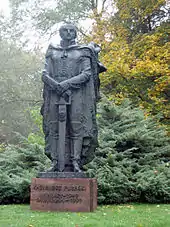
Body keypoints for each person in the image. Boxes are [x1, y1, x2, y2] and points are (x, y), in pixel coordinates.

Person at [41, 23, 106, 172]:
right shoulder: (53, 51)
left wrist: (66, 84)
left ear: (76, 34)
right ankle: (56, 162)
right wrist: (57, 86)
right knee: (54, 127)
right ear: (60, 33)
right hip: (55, 93)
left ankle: (76, 162)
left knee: (76, 126)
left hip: (77, 95)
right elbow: (44, 74)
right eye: (65, 30)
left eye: (72, 31)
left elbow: (87, 73)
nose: (69, 33)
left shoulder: (82, 52)